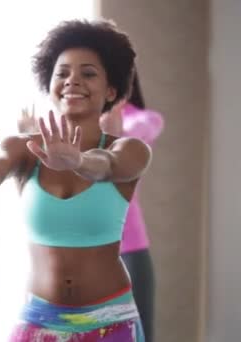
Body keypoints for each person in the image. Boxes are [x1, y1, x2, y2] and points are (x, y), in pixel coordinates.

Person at [0, 20, 149, 341]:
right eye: (62, 73)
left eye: (88, 73)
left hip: (111, 320)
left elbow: (109, 166)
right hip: (39, 318)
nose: (73, 81)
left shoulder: (129, 149)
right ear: (50, 83)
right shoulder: (23, 147)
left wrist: (79, 160)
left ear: (111, 90)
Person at [99, 72, 164, 342]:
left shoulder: (142, 119)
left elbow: (144, 128)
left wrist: (116, 135)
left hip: (129, 251)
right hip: (81, 251)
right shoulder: (76, 122)